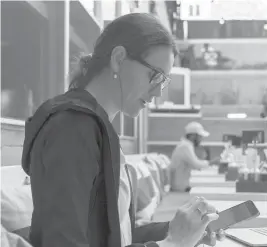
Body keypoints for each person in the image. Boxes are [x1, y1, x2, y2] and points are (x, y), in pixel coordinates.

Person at [21, 13, 223, 247]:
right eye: (155, 76)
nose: (158, 93)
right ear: (118, 59)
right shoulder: (72, 127)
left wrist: (181, 232)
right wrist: (173, 243)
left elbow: (116, 236)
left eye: (164, 81)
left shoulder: (98, 128)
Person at [169, 122, 220, 192]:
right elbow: (196, 164)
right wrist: (212, 162)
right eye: (200, 136)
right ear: (193, 136)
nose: (201, 139)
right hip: (180, 189)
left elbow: (193, 164)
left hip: (180, 186)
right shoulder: (185, 146)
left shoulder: (186, 145)